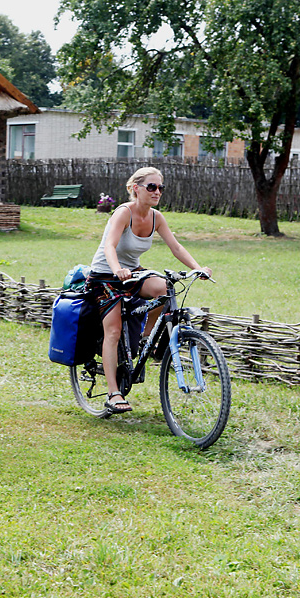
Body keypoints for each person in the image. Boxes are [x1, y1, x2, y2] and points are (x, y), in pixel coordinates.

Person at [86, 166, 212, 415]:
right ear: (136, 188)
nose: (157, 192)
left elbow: (176, 247)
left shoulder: (156, 217)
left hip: (132, 274)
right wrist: (117, 269)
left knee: (165, 289)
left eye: (160, 187)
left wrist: (198, 268)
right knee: (113, 330)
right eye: (151, 187)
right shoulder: (124, 212)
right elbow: (109, 246)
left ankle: (145, 338)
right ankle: (113, 393)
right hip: (105, 277)